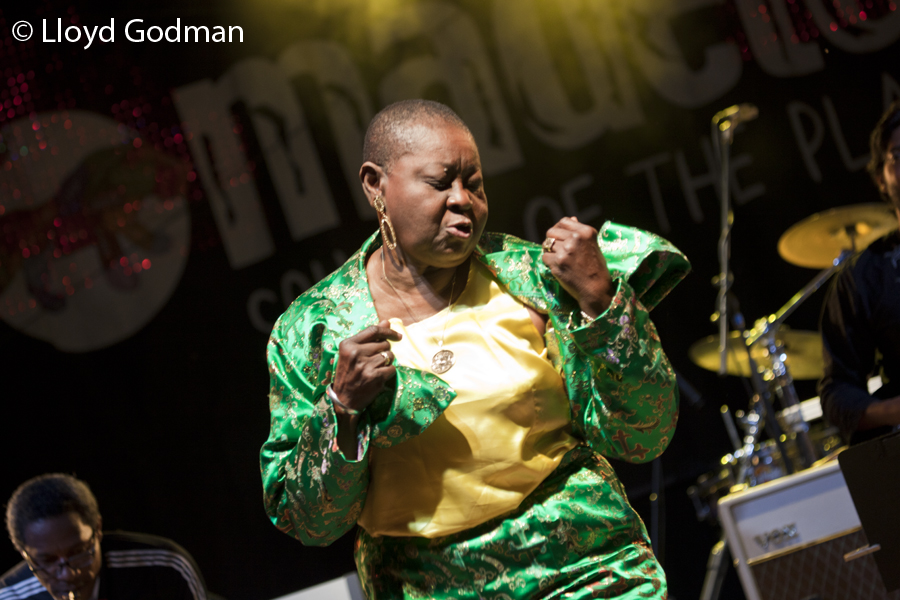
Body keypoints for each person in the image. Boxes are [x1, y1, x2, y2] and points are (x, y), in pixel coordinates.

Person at [260, 99, 690, 599]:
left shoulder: (534, 281)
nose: (463, 199)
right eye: (440, 183)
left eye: (474, 183)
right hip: (430, 586)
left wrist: (602, 302)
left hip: (586, 568)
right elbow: (308, 521)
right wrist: (343, 410)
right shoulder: (315, 330)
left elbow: (645, 434)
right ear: (376, 185)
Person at [819, 100, 900, 446]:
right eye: (898, 155)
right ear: (881, 177)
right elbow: (838, 393)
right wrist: (893, 412)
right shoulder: (864, 276)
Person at [1, 474, 208, 600]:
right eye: (47, 560)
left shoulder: (165, 569)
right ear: (24, 553)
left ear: (97, 529)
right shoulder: (8, 595)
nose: (68, 575)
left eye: (79, 552)